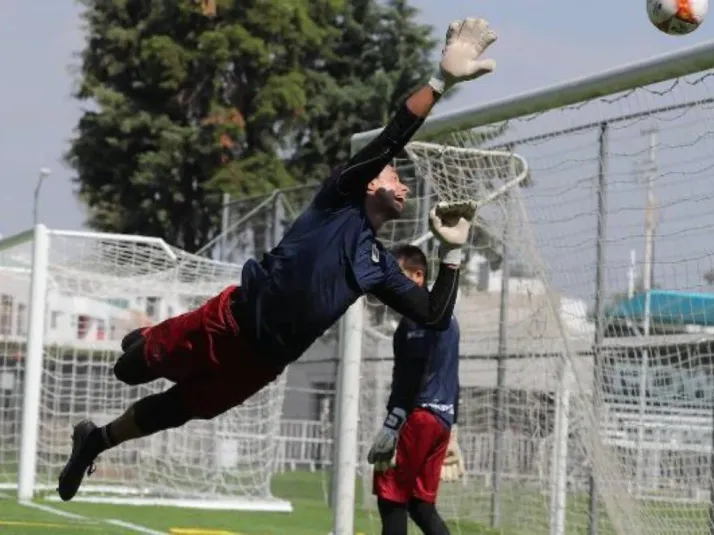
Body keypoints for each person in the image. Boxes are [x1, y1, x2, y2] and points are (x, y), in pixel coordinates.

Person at [57, 17, 497, 502]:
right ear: (371, 183)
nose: (405, 187)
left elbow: (434, 314)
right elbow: (395, 134)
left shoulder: (380, 265)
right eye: (397, 178)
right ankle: (146, 337)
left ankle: (95, 440)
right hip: (230, 322)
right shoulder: (340, 198)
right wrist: (442, 81)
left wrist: (453, 252)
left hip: (262, 362)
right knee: (130, 367)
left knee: (177, 410)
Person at [367, 245, 462, 535]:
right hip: (442, 421)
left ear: (418, 276)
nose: (388, 284)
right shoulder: (446, 318)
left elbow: (412, 378)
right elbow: (453, 379)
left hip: (420, 417)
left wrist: (392, 425)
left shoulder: (418, 320)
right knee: (421, 504)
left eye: (395, 276)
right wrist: (453, 428)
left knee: (390, 497)